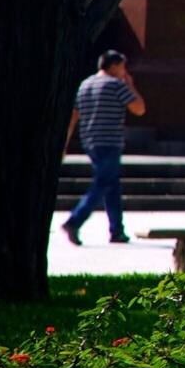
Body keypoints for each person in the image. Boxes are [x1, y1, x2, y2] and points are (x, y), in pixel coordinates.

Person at [61, 50, 147, 246]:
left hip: (90, 141)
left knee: (112, 185)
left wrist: (65, 143)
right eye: (123, 67)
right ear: (114, 66)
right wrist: (131, 86)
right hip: (109, 141)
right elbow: (139, 109)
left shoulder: (85, 84)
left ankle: (117, 230)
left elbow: (73, 117)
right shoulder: (116, 85)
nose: (125, 71)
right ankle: (75, 220)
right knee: (103, 183)